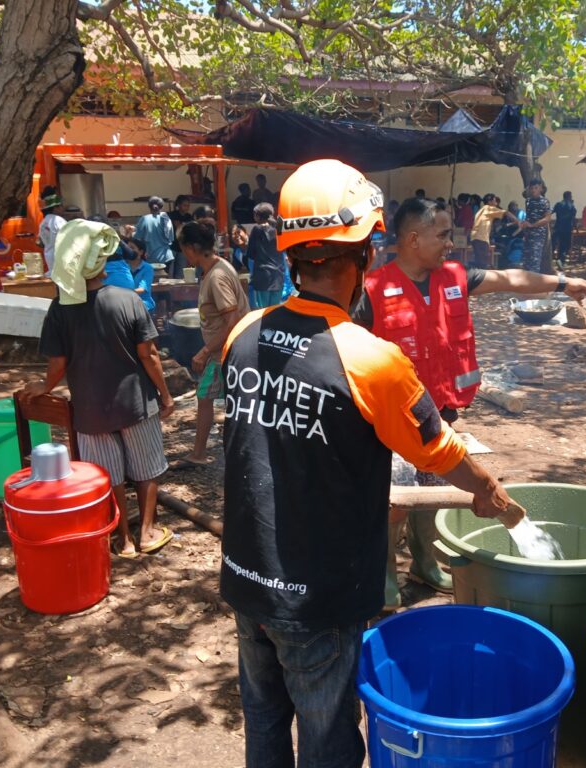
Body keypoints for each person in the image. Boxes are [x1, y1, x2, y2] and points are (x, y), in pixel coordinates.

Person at [220, 159, 525, 768]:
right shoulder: (370, 359)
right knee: (329, 740)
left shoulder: (244, 333)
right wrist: (486, 487)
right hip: (316, 595)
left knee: (264, 722)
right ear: (363, 252)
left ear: (292, 252)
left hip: (248, 581)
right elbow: (435, 448)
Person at [354, 196, 586, 605]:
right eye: (443, 234)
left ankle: (424, 564)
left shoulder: (455, 276)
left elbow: (509, 279)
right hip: (393, 421)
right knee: (395, 500)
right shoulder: (373, 290)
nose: (451, 243)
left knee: (432, 491)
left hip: (441, 416)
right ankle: (384, 576)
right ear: (414, 239)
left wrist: (561, 284)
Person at [21, 219, 175, 558]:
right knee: (147, 468)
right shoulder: (127, 299)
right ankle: (148, 531)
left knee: (110, 475)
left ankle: (124, 539)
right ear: (102, 261)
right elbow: (148, 355)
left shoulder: (60, 308)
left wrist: (43, 386)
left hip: (90, 411)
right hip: (136, 403)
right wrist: (165, 395)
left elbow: (57, 364)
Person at [179, 221, 249, 467]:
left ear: (193, 248)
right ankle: (232, 449)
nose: (184, 254)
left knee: (206, 396)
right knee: (222, 399)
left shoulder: (217, 276)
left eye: (184, 248)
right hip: (228, 349)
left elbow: (233, 319)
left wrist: (205, 350)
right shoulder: (218, 267)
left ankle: (201, 453)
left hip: (224, 351)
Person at [242, 202, 285, 309]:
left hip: (262, 277)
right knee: (275, 311)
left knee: (262, 312)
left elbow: (251, 254)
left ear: (257, 215)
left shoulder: (257, 229)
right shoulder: (279, 228)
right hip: (278, 276)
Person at [470, 193, 518, 269]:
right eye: (495, 201)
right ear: (490, 202)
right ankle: (482, 279)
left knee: (479, 261)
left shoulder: (481, 210)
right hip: (481, 238)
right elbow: (505, 212)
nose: (496, 204)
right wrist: (517, 220)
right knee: (482, 263)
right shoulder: (489, 208)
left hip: (475, 238)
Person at [135, 196, 174, 273]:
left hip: (151, 258)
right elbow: (171, 238)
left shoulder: (145, 219)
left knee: (153, 282)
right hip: (167, 257)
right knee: (166, 282)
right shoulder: (166, 219)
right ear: (161, 206)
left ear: (149, 206)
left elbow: (137, 238)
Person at [522, 178, 552, 273]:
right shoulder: (528, 201)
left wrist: (532, 225)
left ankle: (534, 284)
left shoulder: (545, 202)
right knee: (526, 260)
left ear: (541, 189)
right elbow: (528, 216)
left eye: (536, 188)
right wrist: (525, 225)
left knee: (535, 261)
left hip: (538, 236)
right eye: (531, 188)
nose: (533, 190)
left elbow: (547, 219)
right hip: (528, 235)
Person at [37, 186, 66, 276]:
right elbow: (70, 237)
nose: (62, 208)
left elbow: (40, 242)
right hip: (62, 262)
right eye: (60, 206)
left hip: (50, 261)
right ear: (55, 208)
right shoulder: (58, 220)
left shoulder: (43, 223)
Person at [125, 237, 156, 313]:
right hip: (125, 303)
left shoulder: (147, 268)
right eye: (127, 248)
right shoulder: (123, 267)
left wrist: (123, 294)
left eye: (132, 248)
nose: (128, 251)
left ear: (141, 252)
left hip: (143, 304)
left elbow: (142, 289)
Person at [169, 194, 194, 280]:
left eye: (188, 206)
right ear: (178, 205)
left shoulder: (189, 217)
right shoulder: (172, 215)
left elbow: (189, 230)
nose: (187, 208)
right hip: (172, 246)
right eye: (184, 205)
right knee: (170, 272)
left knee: (180, 272)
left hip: (183, 247)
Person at [552, 191, 577, 268]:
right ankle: (561, 261)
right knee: (565, 246)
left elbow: (551, 211)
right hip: (567, 228)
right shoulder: (571, 206)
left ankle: (555, 259)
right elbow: (574, 216)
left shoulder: (558, 204)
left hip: (558, 227)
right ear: (569, 196)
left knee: (555, 244)